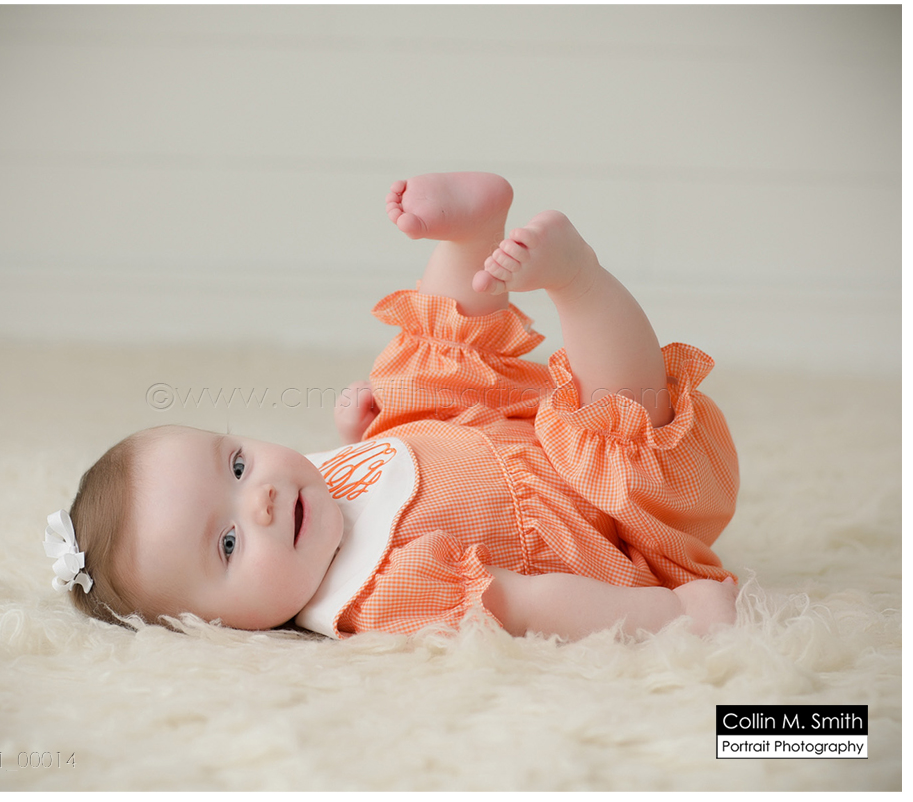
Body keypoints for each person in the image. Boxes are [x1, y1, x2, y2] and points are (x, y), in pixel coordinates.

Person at [44, 172, 739, 641]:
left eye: (237, 465)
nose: (260, 499)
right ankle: (579, 279)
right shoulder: (371, 597)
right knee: (621, 417)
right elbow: (527, 605)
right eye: (227, 544)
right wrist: (675, 615)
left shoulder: (303, 505)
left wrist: (364, 439)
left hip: (484, 428)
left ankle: (471, 238)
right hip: (600, 514)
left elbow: (383, 486)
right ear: (220, 627)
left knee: (418, 378)